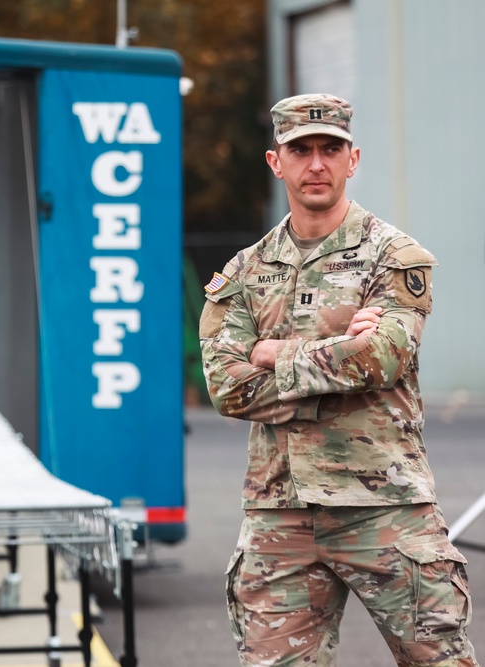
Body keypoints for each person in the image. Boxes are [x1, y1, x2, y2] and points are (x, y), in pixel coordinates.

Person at [199, 92, 478, 666]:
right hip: (281, 516)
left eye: (331, 149)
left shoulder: (394, 256)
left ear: (354, 160)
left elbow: (383, 360)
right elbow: (227, 387)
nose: (317, 163)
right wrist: (338, 354)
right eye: (301, 150)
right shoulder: (244, 272)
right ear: (277, 162)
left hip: (386, 508)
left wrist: (274, 353)